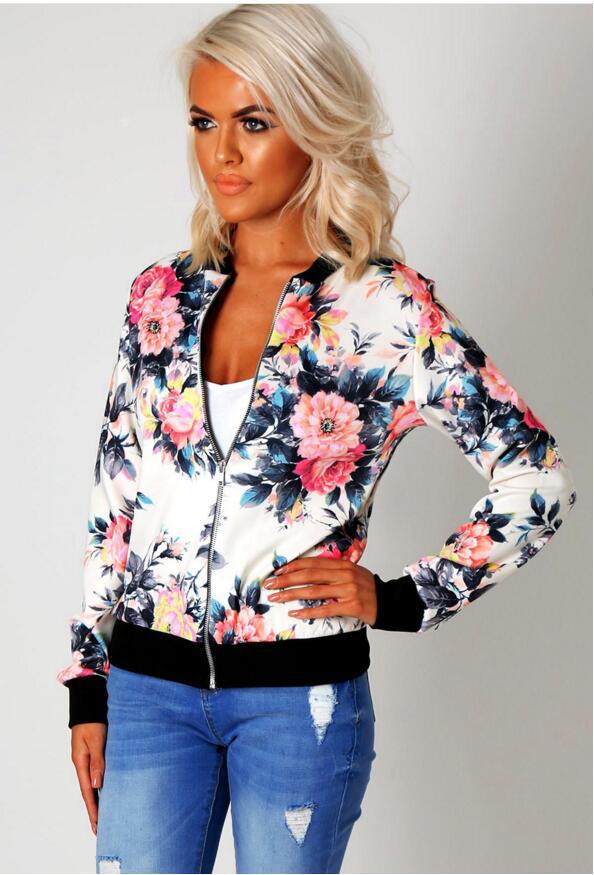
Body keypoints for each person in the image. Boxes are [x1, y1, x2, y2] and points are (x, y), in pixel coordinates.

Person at [56, 5, 577, 874]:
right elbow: (114, 501)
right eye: (204, 122)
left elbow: (537, 476)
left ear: (314, 124)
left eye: (253, 123)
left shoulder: (384, 308)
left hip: (299, 703)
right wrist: (88, 681)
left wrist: (403, 596)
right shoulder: (160, 297)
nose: (222, 153)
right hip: (147, 696)